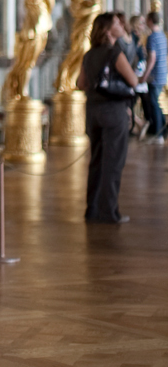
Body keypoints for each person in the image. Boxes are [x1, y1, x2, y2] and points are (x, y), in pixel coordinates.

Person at [78, 12, 139, 224]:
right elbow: (133, 81)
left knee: (96, 160)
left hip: (93, 111)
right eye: (116, 23)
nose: (120, 25)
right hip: (113, 111)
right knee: (113, 162)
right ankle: (109, 212)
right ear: (107, 30)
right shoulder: (114, 53)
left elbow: (81, 83)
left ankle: (92, 209)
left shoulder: (89, 54)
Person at [141, 11, 167, 144]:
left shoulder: (152, 37)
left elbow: (152, 59)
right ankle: (163, 130)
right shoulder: (162, 36)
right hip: (162, 74)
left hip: (155, 76)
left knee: (154, 104)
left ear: (150, 20)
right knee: (157, 103)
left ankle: (159, 134)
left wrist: (145, 76)